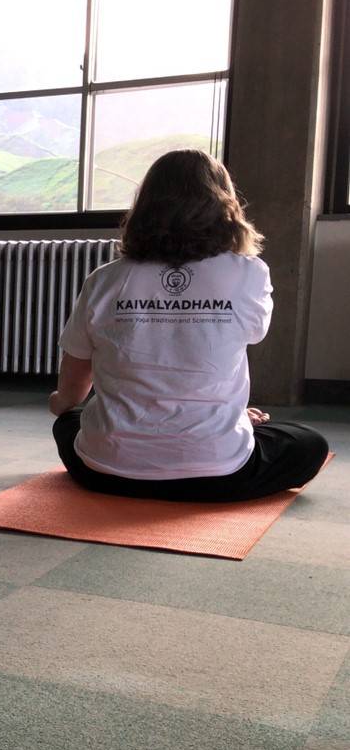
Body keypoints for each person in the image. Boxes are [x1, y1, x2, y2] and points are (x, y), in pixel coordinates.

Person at [49, 149, 327, 501]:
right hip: (218, 475)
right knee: (310, 444)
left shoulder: (104, 280)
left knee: (69, 421)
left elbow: (74, 384)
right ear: (224, 206)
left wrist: (61, 403)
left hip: (106, 472)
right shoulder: (249, 273)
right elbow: (250, 335)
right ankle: (223, 433)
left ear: (144, 208)